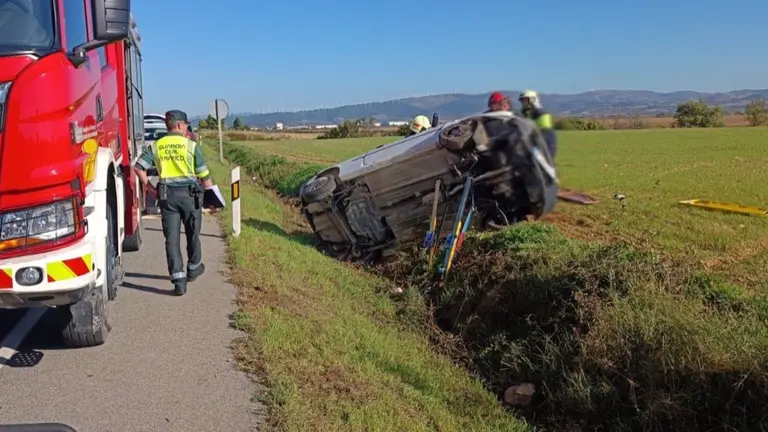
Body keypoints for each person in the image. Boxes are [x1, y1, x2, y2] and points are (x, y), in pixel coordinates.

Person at [133, 110, 214, 296]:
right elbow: (204, 175)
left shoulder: (157, 145)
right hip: (190, 197)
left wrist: (150, 188)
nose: (186, 128)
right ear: (179, 125)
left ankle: (178, 281)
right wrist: (212, 199)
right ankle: (194, 267)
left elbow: (138, 167)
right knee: (193, 233)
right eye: (185, 125)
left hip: (167, 197)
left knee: (172, 238)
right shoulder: (190, 146)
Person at [518, 90, 557, 159]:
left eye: (525, 101)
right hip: (534, 145)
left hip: (545, 146)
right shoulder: (527, 114)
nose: (523, 103)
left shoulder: (542, 114)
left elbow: (544, 133)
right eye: (522, 101)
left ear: (532, 100)